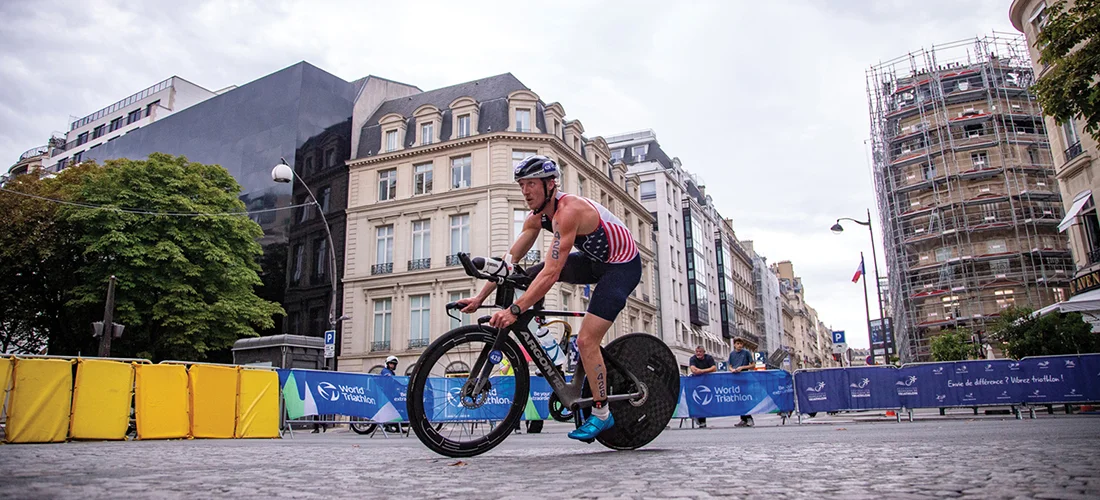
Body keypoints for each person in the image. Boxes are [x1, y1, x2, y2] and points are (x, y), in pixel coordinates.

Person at [456, 155, 640, 441]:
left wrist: (515, 310)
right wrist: (479, 298)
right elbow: (508, 265)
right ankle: (536, 320)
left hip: (621, 267)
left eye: (531, 184)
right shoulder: (535, 218)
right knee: (525, 273)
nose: (525, 191)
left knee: (586, 340)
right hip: (594, 260)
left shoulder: (569, 211)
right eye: (521, 185)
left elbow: (553, 273)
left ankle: (603, 414)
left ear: (550, 185)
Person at [727, 337, 755, 428]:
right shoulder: (732, 354)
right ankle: (743, 418)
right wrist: (732, 370)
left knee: (745, 398)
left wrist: (742, 367)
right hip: (735, 379)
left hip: (744, 378)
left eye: (741, 344)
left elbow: (753, 365)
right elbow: (730, 366)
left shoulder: (746, 353)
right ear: (734, 344)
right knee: (739, 399)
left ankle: (749, 418)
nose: (739, 346)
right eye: (737, 344)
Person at [688, 346, 717, 428]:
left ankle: (702, 420)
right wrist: (705, 371)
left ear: (704, 352)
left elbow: (714, 368)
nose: (698, 353)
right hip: (696, 383)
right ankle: (699, 419)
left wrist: (702, 371)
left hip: (708, 383)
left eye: (700, 352)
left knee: (705, 401)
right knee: (698, 400)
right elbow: (693, 369)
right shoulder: (692, 359)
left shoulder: (709, 358)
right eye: (697, 351)